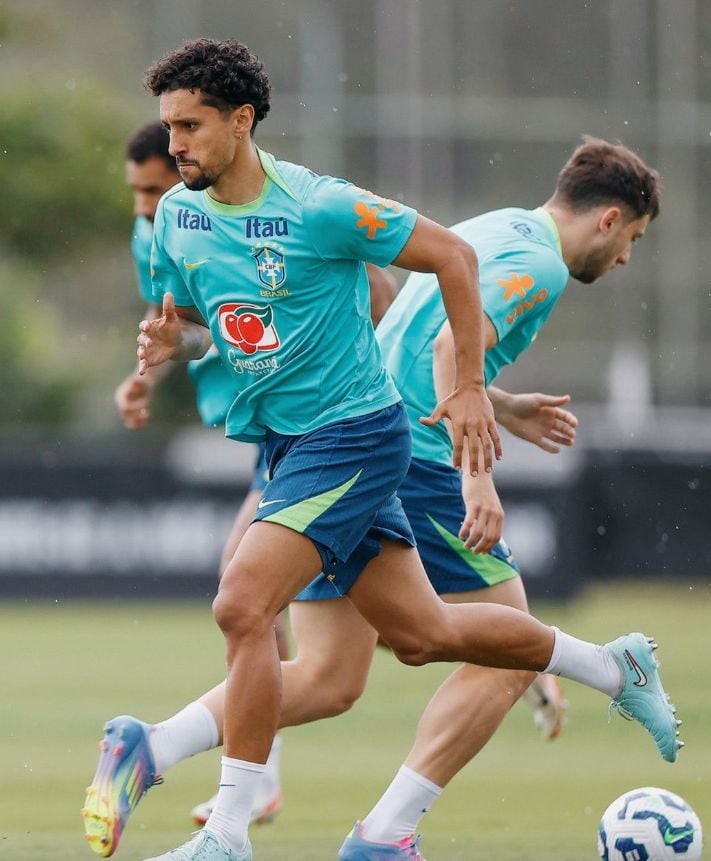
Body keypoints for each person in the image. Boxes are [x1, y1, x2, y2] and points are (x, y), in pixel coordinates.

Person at [83, 39, 680, 861]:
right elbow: (200, 324)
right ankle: (613, 668)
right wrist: (170, 344)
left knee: (241, 603)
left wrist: (470, 393)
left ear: (242, 121)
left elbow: (449, 259)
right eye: (169, 125)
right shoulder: (180, 221)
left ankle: (225, 832)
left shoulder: (320, 205)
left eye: (190, 126)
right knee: (420, 633)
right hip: (288, 443)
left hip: (355, 436)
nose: (174, 143)